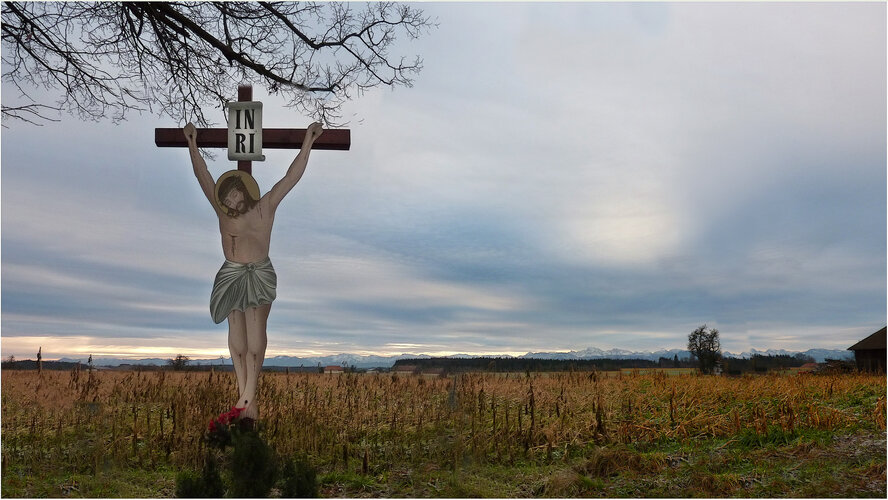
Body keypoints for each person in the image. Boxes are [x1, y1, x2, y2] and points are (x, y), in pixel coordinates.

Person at [183, 121, 323, 421]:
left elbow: (291, 177)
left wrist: (308, 142)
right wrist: (192, 144)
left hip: (258, 273)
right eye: (228, 197)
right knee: (236, 339)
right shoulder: (222, 210)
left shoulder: (265, 207)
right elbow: (203, 176)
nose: (231, 201)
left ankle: (247, 396)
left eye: (235, 196)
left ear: (245, 193)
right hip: (231, 274)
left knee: (256, 338)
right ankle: (245, 401)